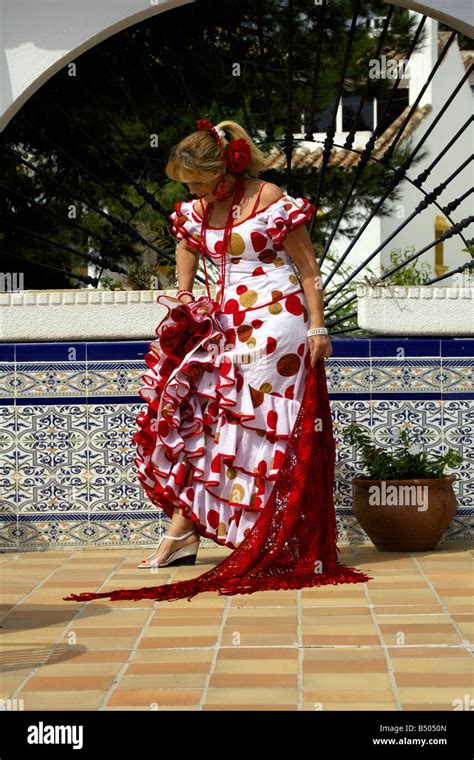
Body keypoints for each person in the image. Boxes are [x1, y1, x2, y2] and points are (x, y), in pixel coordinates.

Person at [64, 119, 372, 605]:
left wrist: (318, 326)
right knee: (205, 418)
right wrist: (185, 294)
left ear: (227, 166)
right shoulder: (198, 208)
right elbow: (187, 242)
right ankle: (187, 529)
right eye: (186, 184)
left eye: (196, 181)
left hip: (276, 323)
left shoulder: (269, 199)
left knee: (254, 424)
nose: (191, 191)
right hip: (224, 323)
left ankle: (239, 531)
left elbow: (308, 269)